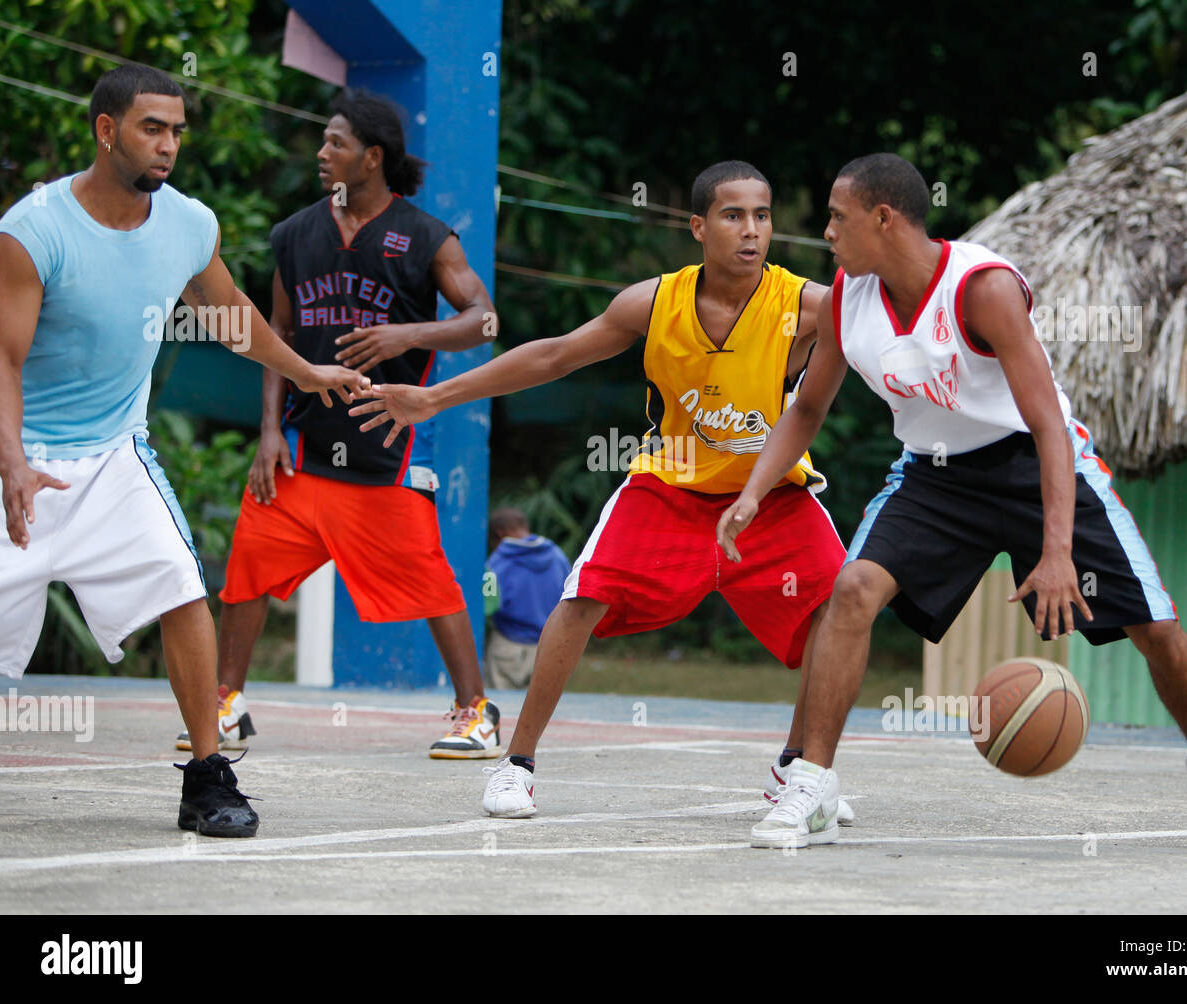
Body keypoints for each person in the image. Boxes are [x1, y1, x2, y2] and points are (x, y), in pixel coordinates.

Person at [717, 153, 1187, 851]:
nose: (826, 232)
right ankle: (812, 782)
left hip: (1035, 465)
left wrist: (1057, 551)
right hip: (936, 479)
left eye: (837, 217)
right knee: (851, 591)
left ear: (884, 218)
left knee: (1154, 626)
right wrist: (754, 491)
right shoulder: (850, 293)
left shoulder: (983, 288)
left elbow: (1049, 429)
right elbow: (808, 407)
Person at [352, 160, 856, 824]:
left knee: (842, 602)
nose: (752, 231)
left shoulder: (809, 304)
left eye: (762, 215)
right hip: (669, 487)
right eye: (734, 216)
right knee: (580, 598)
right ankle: (517, 766)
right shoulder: (653, 302)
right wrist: (434, 397)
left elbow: (890, 331)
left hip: (771, 494)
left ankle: (802, 768)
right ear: (699, 227)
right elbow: (555, 355)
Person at [0, 64, 367, 837]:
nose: (168, 146)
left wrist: (303, 371)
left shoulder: (189, 225)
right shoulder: (31, 232)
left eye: (176, 131)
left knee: (181, 586)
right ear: (106, 131)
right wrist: (11, 463)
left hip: (115, 452)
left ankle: (207, 777)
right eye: (151, 128)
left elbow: (230, 316)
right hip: (20, 449)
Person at [189, 90, 504, 760]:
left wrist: (407, 335)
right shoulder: (297, 232)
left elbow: (484, 318)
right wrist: (269, 431)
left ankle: (475, 711)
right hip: (300, 450)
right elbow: (276, 332)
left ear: (373, 156)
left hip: (379, 449)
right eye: (323, 140)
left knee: (432, 582)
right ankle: (224, 703)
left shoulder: (426, 236)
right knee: (246, 571)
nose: (322, 152)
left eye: (335, 142)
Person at [483, 507, 571, 689]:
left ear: (498, 534)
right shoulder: (557, 556)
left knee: (502, 706)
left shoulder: (497, 562)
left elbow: (488, 604)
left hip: (507, 645)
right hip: (549, 647)